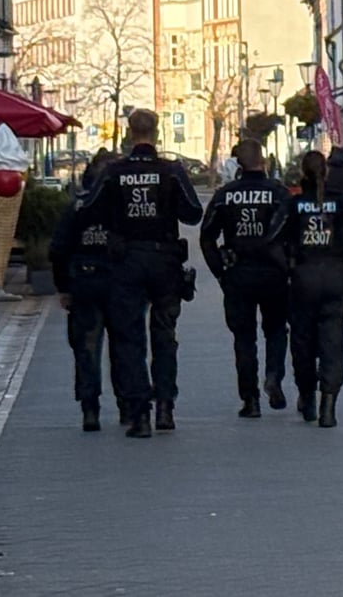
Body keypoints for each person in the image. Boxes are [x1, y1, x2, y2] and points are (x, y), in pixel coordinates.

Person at [81, 108, 203, 438]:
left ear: (129, 133)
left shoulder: (114, 172)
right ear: (157, 132)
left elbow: (88, 210)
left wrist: (115, 220)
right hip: (165, 260)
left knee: (128, 338)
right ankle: (165, 405)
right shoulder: (171, 171)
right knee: (165, 335)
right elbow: (193, 213)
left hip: (126, 261)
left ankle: (140, 414)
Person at [269, 151, 343, 428]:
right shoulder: (342, 202)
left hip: (303, 279)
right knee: (333, 340)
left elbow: (273, 238)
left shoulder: (294, 204)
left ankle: (307, 397)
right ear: (326, 172)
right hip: (336, 277)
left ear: (303, 174)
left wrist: (288, 267)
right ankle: (329, 404)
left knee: (302, 341)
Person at [200, 139, 291, 418]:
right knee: (276, 330)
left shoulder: (225, 195)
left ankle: (250, 399)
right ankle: (274, 375)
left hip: (238, 274)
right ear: (262, 161)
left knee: (243, 337)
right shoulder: (278, 193)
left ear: (238, 164)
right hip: (274, 274)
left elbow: (207, 236)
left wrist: (219, 271)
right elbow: (293, 232)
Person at [49, 150, 121, 432]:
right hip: (119, 283)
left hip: (84, 281)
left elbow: (58, 249)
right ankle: (130, 405)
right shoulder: (123, 206)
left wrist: (64, 287)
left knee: (87, 348)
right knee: (125, 345)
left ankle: (90, 407)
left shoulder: (77, 206)